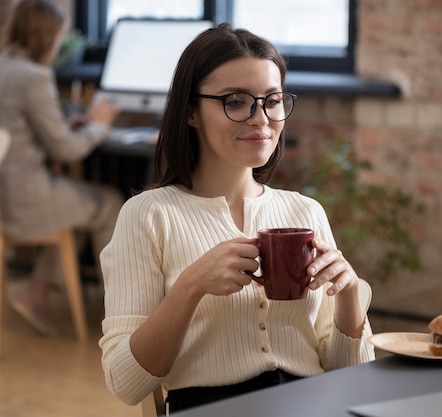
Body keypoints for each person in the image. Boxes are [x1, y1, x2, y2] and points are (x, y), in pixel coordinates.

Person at [98, 23, 375, 413]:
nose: (261, 118)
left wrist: (348, 297)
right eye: (235, 101)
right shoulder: (147, 216)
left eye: (272, 100)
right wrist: (190, 286)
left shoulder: (305, 212)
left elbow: (351, 382)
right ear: (191, 111)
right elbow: (125, 383)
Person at [0, 0, 124, 336]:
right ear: (46, 37)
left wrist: (69, 123)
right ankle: (123, 314)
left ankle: (36, 292)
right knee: (110, 202)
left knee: (81, 207)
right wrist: (100, 125)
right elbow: (66, 152)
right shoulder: (34, 76)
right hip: (23, 202)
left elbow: (23, 130)